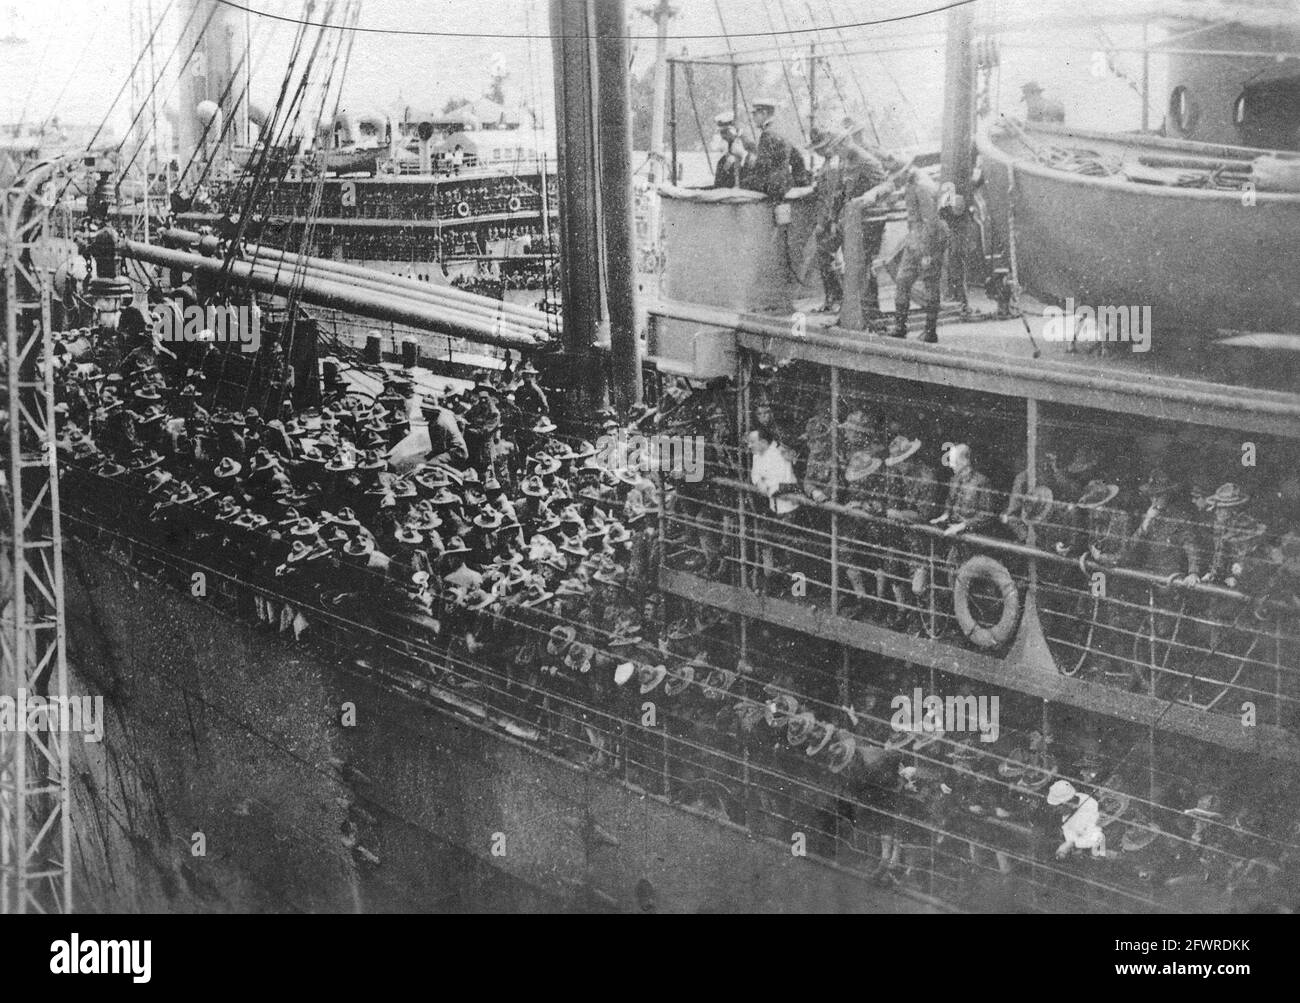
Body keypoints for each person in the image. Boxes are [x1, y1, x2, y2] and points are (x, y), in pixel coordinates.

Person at [892, 168, 949, 343]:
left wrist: (926, 252)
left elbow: (929, 221)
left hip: (927, 240)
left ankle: (930, 332)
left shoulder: (921, 187)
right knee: (903, 280)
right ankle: (900, 327)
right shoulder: (914, 185)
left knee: (930, 283)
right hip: (915, 239)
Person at [747, 426, 800, 588]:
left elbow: (789, 483)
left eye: (753, 442)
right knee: (766, 538)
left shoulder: (779, 454)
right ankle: (769, 575)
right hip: (773, 505)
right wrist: (761, 483)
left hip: (787, 506)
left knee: (789, 545)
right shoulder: (758, 455)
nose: (750, 446)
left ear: (763, 442)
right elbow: (755, 475)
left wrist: (769, 486)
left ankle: (795, 584)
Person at [742, 98, 806, 199]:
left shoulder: (767, 134)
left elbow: (762, 165)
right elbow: (798, 158)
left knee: (743, 182)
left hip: (773, 186)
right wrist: (799, 181)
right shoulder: (781, 130)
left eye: (755, 114)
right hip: (785, 184)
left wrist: (747, 159)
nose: (753, 118)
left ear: (764, 113)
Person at [1046, 780, 1106, 859]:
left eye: (1057, 807)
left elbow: (1095, 837)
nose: (1056, 811)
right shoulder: (1077, 798)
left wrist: (1070, 844)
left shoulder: (1090, 809)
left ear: (1068, 802)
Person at [711, 111, 754, 189]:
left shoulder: (749, 148)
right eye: (721, 133)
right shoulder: (725, 158)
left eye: (725, 132)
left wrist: (743, 156)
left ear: (733, 131)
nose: (723, 136)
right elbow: (719, 185)